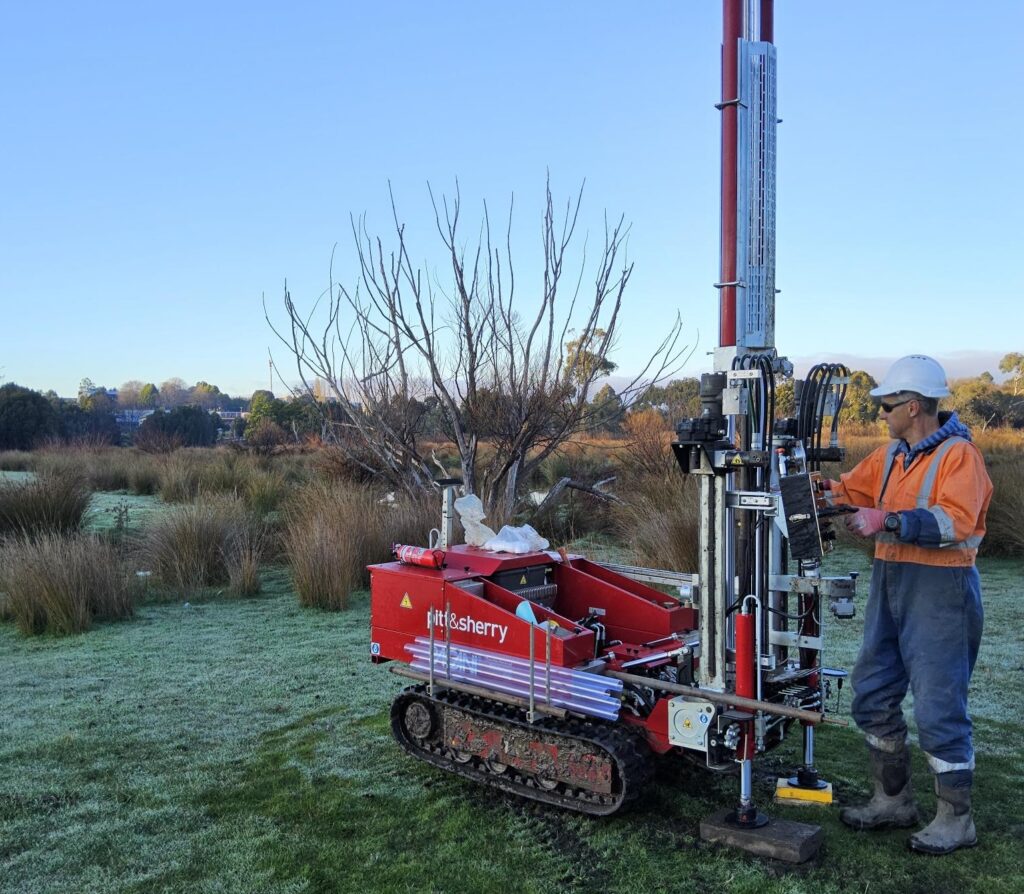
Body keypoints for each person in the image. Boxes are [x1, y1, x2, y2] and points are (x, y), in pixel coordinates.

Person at [823, 354, 991, 855]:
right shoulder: (891, 456)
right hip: (891, 582)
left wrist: (888, 521)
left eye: (887, 406)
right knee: (873, 692)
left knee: (939, 705)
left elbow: (955, 521)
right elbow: (848, 490)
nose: (881, 414)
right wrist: (810, 488)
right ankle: (893, 800)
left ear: (913, 406)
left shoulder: (960, 456)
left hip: (942, 589)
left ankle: (956, 821)